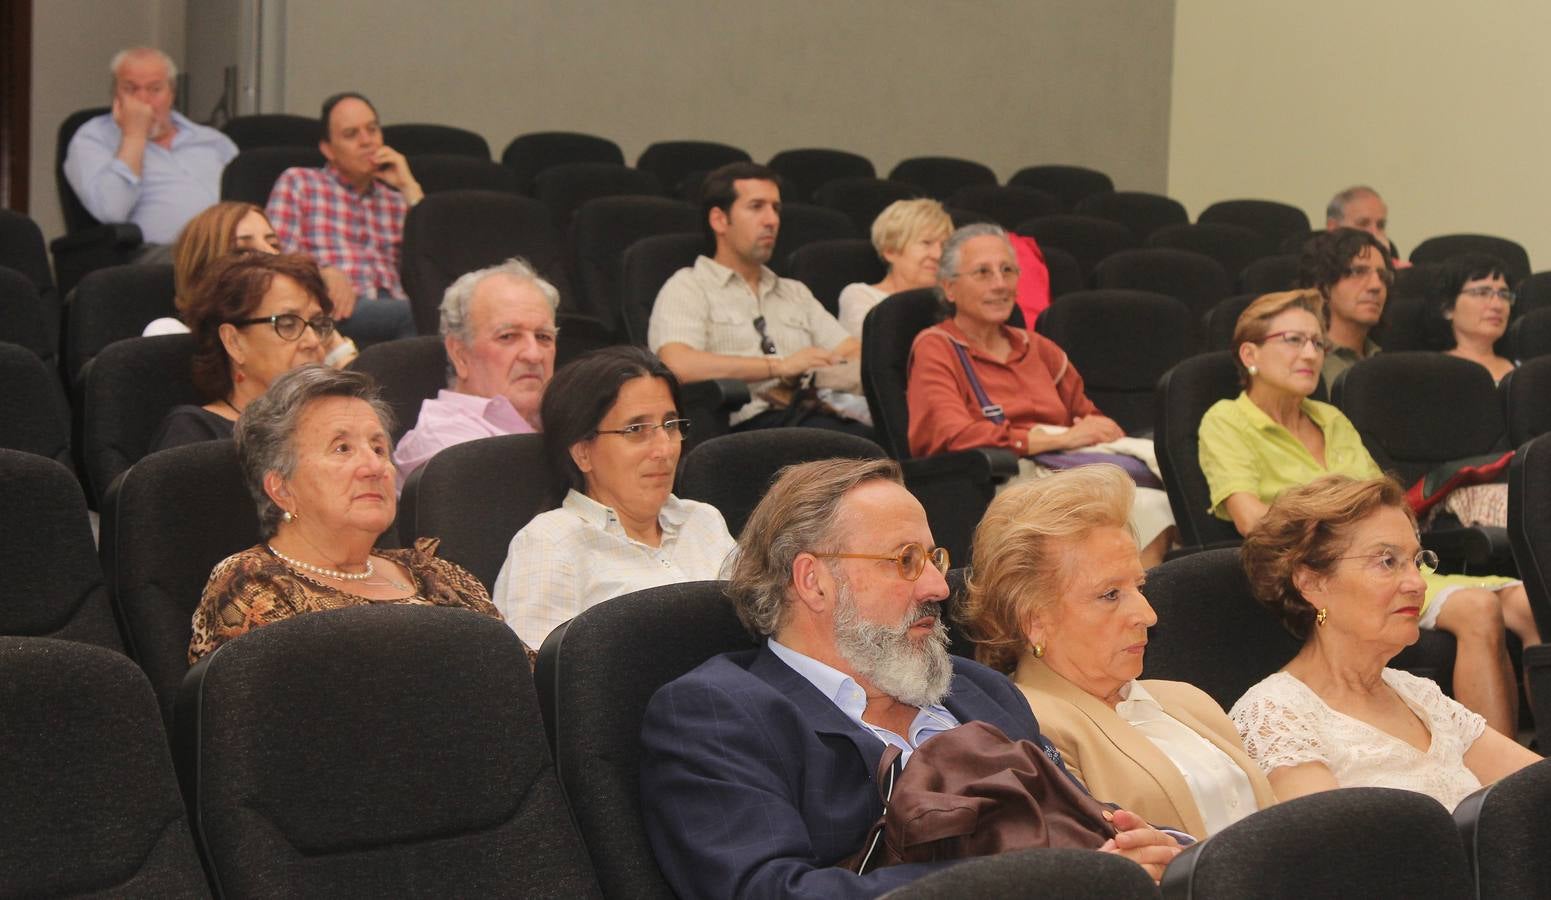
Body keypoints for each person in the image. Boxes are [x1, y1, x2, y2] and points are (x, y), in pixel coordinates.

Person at [640, 457, 1183, 899]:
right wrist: (1025, 881)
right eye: (904, 560)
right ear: (813, 581)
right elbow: (767, 892)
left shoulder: (976, 688)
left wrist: (1148, 848)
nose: (937, 586)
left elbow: (1077, 818)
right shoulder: (715, 714)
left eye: (932, 557)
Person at [1198, 290, 1539, 736]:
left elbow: (1385, 500)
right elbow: (1250, 519)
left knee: (1534, 606)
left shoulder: (1328, 417)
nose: (1310, 354)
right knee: (1478, 609)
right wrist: (1342, 539)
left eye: (1318, 343)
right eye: (1293, 340)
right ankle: (1499, 783)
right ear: (1250, 353)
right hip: (1338, 573)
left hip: (1392, 560)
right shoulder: (1225, 421)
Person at [962, 465, 1275, 837]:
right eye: (1110, 594)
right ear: (1034, 620)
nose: (1148, 615)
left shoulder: (1190, 700)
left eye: (1139, 587)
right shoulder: (1025, 731)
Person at [1230, 475, 1540, 809]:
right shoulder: (1275, 716)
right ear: (1311, 583)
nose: (1417, 584)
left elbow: (1537, 786)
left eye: (1417, 562)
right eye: (1386, 561)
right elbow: (1335, 852)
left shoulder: (1419, 695)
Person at [189, 364, 502, 663]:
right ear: (282, 490)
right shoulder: (253, 585)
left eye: (379, 449)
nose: (375, 467)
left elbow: (522, 681)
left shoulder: (435, 572)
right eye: (342, 449)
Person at [906, 223, 1176, 566]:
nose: (1000, 284)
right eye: (983, 273)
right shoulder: (936, 347)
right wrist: (1044, 440)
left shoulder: (1039, 347)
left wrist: (1091, 429)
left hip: (1064, 475)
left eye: (1007, 270)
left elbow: (1091, 418)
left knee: (1161, 502)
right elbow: (950, 434)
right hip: (998, 482)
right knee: (1145, 509)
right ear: (949, 288)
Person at [490, 346, 735, 646]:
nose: (664, 449)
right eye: (636, 429)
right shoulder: (551, 542)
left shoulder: (703, 520)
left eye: (670, 425)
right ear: (582, 452)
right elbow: (540, 677)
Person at [648, 162, 870, 435]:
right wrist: (778, 367)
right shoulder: (689, 286)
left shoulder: (794, 292)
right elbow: (677, 364)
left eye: (775, 208)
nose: (772, 220)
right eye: (756, 207)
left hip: (810, 413)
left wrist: (823, 368)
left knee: (879, 433)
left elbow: (851, 351)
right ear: (719, 219)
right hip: (741, 429)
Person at [265, 91, 418, 345]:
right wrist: (320, 273)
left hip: (393, 305)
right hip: (333, 309)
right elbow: (272, 260)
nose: (367, 141)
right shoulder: (299, 183)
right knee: (414, 315)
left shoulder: (396, 200)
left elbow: (434, 264)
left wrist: (410, 188)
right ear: (328, 149)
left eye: (372, 129)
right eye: (351, 134)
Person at [394, 258, 559, 483]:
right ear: (460, 354)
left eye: (543, 337)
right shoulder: (443, 441)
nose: (534, 354)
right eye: (508, 336)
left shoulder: (573, 419)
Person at [150, 253, 334, 451]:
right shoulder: (195, 434)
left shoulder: (341, 422)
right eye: (287, 324)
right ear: (234, 342)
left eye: (317, 324)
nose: (313, 341)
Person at [142, 201, 359, 369]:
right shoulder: (168, 332)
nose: (270, 254)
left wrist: (323, 334)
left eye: (273, 243)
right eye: (243, 250)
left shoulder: (302, 331)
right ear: (205, 266)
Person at [63, 47, 238, 247]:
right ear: (115, 94)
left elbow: (248, 203)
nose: (143, 100)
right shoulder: (93, 138)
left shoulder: (213, 140)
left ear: (172, 93)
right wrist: (134, 136)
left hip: (230, 251)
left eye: (155, 89)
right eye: (130, 89)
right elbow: (112, 211)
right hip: (155, 257)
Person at [837, 198, 953, 337]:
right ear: (890, 250)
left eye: (944, 246)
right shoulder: (861, 296)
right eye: (926, 243)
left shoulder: (950, 299)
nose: (938, 254)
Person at [1296, 227, 1393, 385]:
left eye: (1383, 276)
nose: (1376, 286)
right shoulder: (1304, 360)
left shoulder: (1388, 362)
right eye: (1358, 272)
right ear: (1323, 286)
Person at [1427, 253, 1518, 383]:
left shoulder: (1524, 372)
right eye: (1482, 293)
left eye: (1504, 295)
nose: (1497, 305)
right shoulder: (1432, 371)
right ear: (1447, 308)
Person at [1324, 185, 1408, 268]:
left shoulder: (1403, 272)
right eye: (1363, 224)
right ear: (1333, 227)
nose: (1374, 233)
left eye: (1380, 225)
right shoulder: (1315, 272)